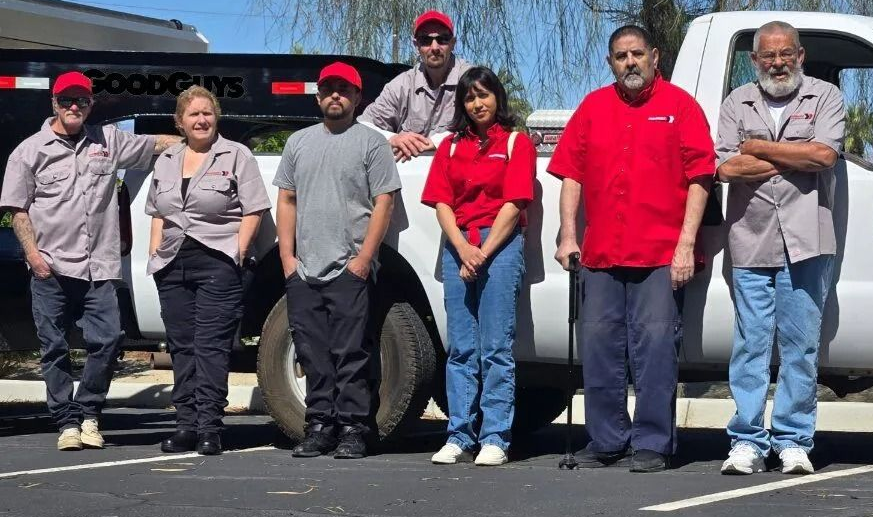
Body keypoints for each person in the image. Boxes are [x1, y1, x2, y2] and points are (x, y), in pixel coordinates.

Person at [548, 26, 715, 472]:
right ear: (610, 62)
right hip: (601, 253)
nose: (630, 63)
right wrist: (568, 235)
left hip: (660, 254)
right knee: (599, 347)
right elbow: (571, 175)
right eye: (621, 56)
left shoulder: (680, 107)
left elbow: (701, 177)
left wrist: (685, 245)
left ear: (654, 57)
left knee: (655, 348)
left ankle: (652, 443)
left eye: (637, 53)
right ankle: (605, 440)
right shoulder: (593, 107)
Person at [0, 71, 179, 451]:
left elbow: (155, 144)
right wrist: (34, 256)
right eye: (66, 100)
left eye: (81, 100)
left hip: (99, 268)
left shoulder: (108, 141)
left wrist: (200, 139)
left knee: (109, 339)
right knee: (54, 346)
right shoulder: (29, 152)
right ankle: (66, 422)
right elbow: (17, 210)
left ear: (90, 104)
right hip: (50, 267)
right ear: (54, 103)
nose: (74, 106)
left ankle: (89, 414)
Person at [716, 21, 845, 476]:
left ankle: (793, 440)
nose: (777, 63)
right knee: (750, 344)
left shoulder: (824, 96)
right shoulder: (737, 101)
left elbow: (823, 156)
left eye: (786, 53)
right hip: (750, 239)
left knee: (800, 347)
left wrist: (758, 148)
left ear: (800, 55)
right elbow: (728, 168)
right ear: (755, 61)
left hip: (808, 240)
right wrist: (789, 155)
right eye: (768, 56)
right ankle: (747, 441)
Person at [274, 62, 401, 459]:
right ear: (318, 96)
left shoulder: (371, 143)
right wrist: (287, 259)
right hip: (304, 270)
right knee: (313, 353)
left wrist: (364, 258)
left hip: (349, 267)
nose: (336, 96)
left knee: (351, 354)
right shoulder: (298, 143)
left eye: (344, 90)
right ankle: (319, 427)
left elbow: (385, 201)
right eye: (329, 89)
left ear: (357, 98)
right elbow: (287, 199)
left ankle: (353, 429)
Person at [145, 86, 271, 456]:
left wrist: (238, 252)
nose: (201, 120)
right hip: (172, 262)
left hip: (217, 258)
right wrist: (155, 255)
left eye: (207, 113)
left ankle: (210, 428)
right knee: (181, 347)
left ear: (216, 117)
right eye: (193, 114)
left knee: (211, 346)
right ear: (180, 122)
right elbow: (158, 213)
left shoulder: (237, 155)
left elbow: (254, 210)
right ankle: (185, 424)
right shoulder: (167, 158)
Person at [421, 67, 536, 467]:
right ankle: (458, 434)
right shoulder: (451, 146)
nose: (477, 104)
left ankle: (496, 437)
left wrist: (482, 252)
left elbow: (516, 201)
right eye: (470, 98)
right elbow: (441, 201)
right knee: (461, 348)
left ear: (497, 98)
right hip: (458, 243)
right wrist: (462, 248)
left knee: (496, 347)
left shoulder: (517, 143)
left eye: (484, 95)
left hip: (499, 245)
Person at [358, 10, 473, 162]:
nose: (434, 47)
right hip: (411, 176)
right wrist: (392, 138)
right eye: (425, 40)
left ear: (452, 43)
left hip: (459, 172)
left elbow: (488, 127)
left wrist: (440, 142)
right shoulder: (401, 85)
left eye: (442, 39)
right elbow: (363, 125)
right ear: (416, 45)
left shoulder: (471, 79)